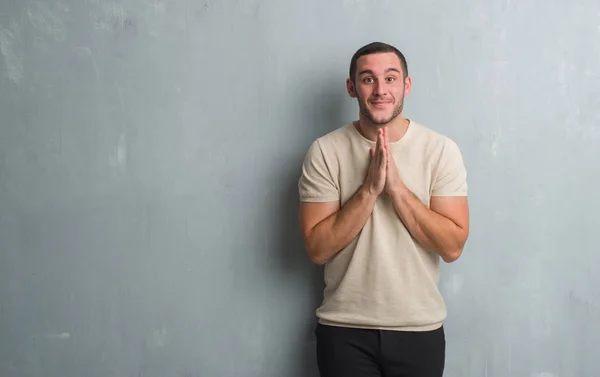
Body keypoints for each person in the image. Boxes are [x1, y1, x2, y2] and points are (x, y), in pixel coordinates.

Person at [297, 41, 470, 377]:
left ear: (406, 85)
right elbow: (317, 250)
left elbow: (452, 247)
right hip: (344, 328)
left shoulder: (440, 151)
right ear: (351, 88)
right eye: (367, 79)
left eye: (390, 79)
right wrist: (370, 190)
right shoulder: (324, 152)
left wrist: (397, 191)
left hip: (418, 328)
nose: (380, 90)